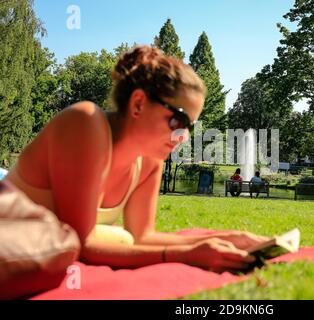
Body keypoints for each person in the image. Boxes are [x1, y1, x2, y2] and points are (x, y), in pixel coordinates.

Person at [4, 45, 267, 273]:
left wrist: (231, 238)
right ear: (139, 103)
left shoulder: (150, 160)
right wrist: (184, 256)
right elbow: (81, 244)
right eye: (178, 120)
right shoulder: (85, 122)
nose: (183, 136)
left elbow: (142, 236)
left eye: (190, 126)